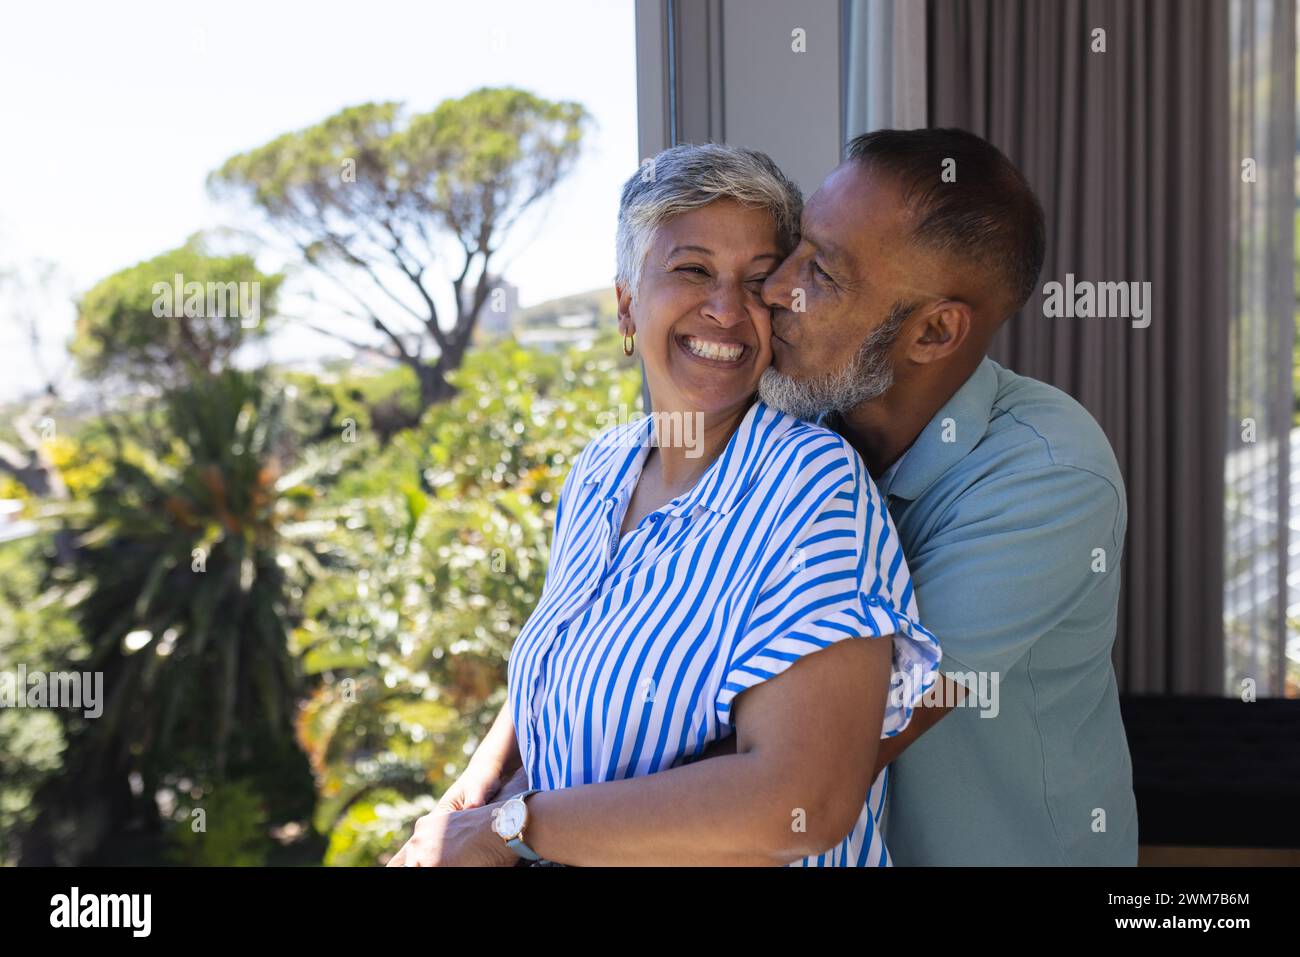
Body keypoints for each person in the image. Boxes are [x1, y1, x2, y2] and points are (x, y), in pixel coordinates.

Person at [387, 143, 939, 867]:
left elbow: (802, 803)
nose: (725, 308)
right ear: (626, 306)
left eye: (758, 279)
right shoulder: (600, 471)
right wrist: (469, 804)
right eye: (692, 270)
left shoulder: (811, 486)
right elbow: (567, 699)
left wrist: (506, 827)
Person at [757, 127, 1138, 865]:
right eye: (796, 247)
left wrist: (537, 822)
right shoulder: (798, 415)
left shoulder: (1050, 476)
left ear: (933, 332)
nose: (777, 289)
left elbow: (831, 752)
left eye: (824, 275)